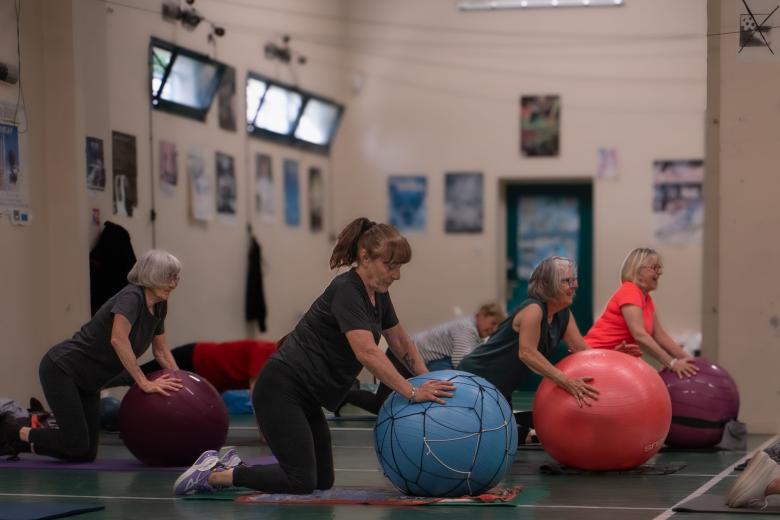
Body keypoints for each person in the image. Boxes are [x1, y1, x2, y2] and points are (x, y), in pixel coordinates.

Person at [173, 218, 455, 496]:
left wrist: (429, 378)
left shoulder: (378, 294)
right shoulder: (347, 290)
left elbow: (400, 342)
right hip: (282, 388)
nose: (396, 275)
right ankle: (215, 474)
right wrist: (412, 391)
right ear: (365, 257)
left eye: (399, 267)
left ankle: (231, 464)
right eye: (390, 265)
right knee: (301, 481)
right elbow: (367, 352)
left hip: (308, 397)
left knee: (322, 480)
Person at [0, 250, 184, 461]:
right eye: (170, 277)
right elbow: (118, 339)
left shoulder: (160, 306)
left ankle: (18, 444)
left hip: (91, 380)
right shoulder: (131, 297)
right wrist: (143, 382)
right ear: (153, 275)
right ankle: (11, 430)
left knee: (85, 453)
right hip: (63, 369)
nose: (174, 283)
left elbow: (160, 350)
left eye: (176, 277)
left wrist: (181, 382)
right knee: (76, 442)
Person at [459, 256, 602, 408]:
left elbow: (581, 350)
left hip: (499, 388)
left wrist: (609, 358)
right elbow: (527, 353)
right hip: (474, 378)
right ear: (549, 285)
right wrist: (566, 382)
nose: (575, 285)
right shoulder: (534, 309)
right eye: (568, 281)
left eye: (574, 280)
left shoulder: (563, 314)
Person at [335, 302, 506, 415]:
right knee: (382, 405)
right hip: (402, 358)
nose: (492, 329)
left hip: (413, 361)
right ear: (482, 315)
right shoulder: (467, 329)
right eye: (492, 323)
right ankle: (347, 394)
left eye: (495, 327)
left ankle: (352, 391)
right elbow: (461, 364)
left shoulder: (473, 331)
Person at [584, 247, 698, 379]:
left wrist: (691, 360)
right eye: (655, 268)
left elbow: (660, 336)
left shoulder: (646, 298)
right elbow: (639, 335)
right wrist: (672, 363)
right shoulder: (630, 291)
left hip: (614, 360)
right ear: (638, 270)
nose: (660, 273)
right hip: (594, 359)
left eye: (660, 268)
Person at [105, 339, 277, 394]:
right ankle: (95, 383)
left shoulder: (279, 364)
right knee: (137, 376)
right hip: (192, 358)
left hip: (211, 381)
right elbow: (259, 394)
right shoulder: (265, 351)